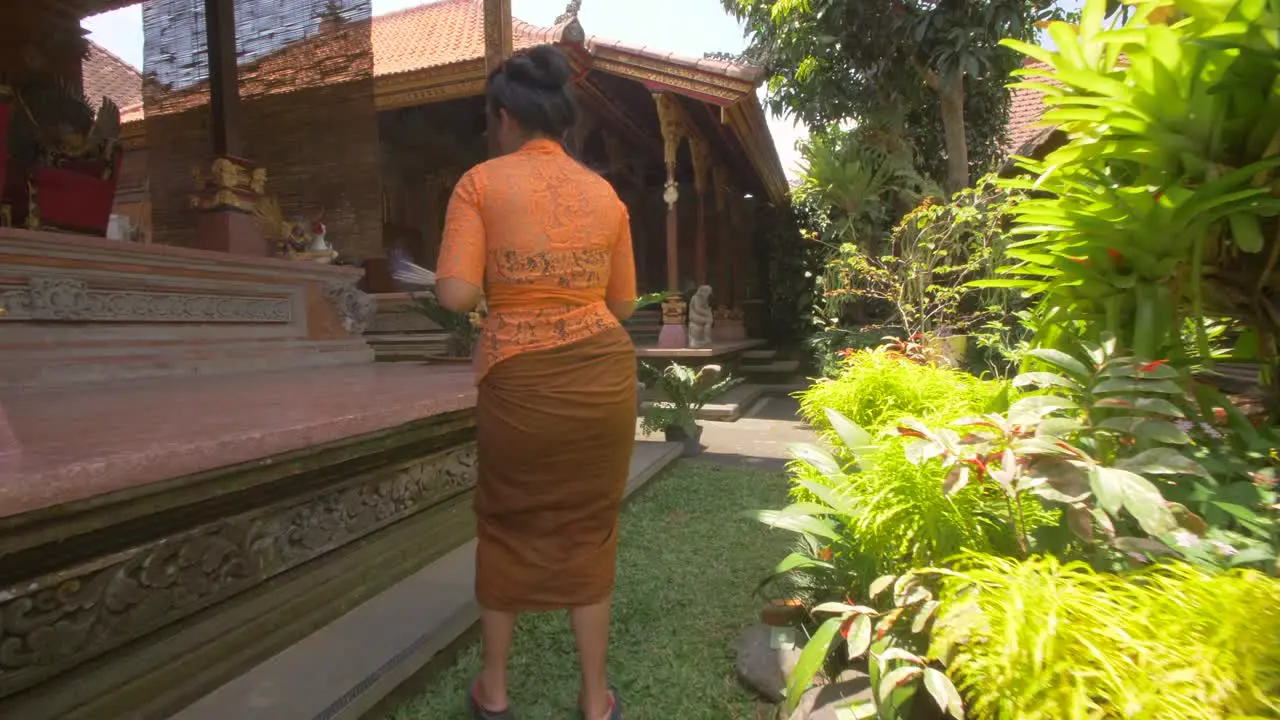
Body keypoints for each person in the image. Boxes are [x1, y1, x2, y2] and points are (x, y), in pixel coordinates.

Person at [433, 44, 637, 720]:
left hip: (518, 379)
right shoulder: (605, 193)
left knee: (506, 523)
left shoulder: (480, 183)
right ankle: (592, 697)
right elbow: (626, 303)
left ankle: (494, 689)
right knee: (590, 527)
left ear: (504, 116)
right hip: (603, 374)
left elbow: (458, 295)